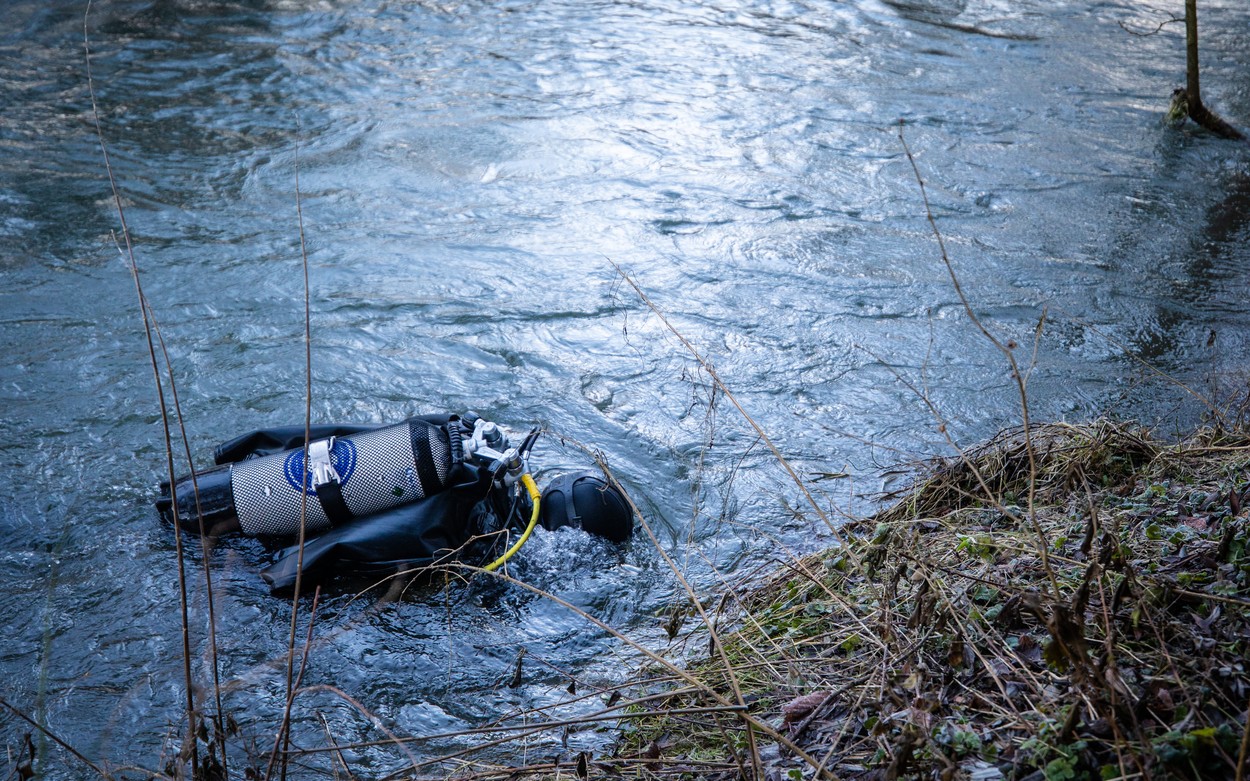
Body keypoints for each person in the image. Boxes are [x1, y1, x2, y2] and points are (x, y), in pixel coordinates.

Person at [156, 413, 632, 595]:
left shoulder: (470, 462)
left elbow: (338, 437)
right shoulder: (485, 549)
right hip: (252, 551)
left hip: (234, 498)